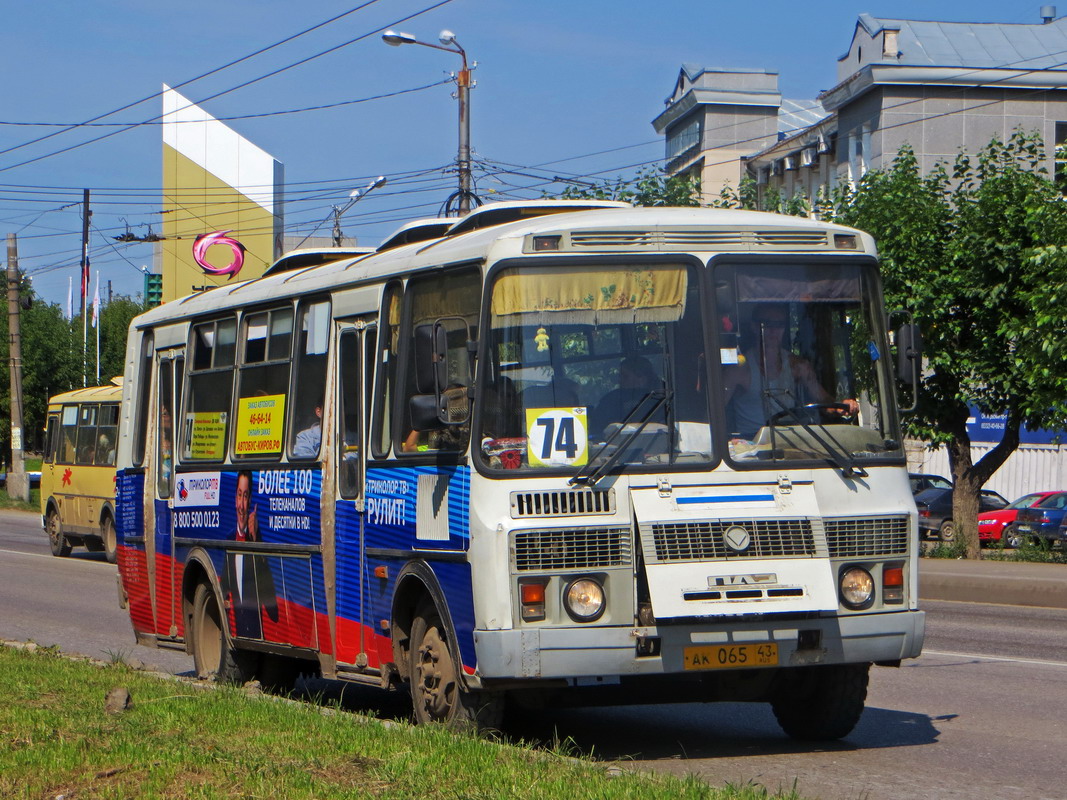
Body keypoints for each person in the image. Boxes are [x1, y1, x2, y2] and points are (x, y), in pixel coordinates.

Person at [723, 303, 859, 440]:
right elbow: (716, 412)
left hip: (790, 444)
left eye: (779, 324)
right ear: (753, 326)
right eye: (766, 324)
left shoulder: (798, 365)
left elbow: (824, 401)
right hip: (750, 449)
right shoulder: (738, 369)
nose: (773, 330)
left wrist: (842, 406)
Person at [225, 470, 276, 639]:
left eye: (245, 496)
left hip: (256, 637)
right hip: (236, 635)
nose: (241, 505)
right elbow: (223, 592)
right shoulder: (228, 540)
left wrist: (256, 542)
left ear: (251, 500)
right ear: (234, 499)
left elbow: (273, 612)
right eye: (239, 495)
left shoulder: (257, 541)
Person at [591, 355, 663, 436]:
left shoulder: (662, 398)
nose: (620, 380)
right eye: (620, 376)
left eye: (625, 376)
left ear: (642, 378)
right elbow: (597, 429)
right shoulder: (611, 400)